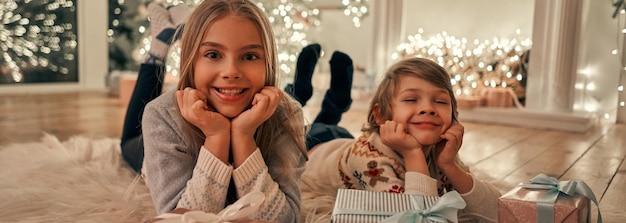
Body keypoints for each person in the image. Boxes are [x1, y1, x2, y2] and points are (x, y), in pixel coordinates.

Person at [120, 1, 308, 222]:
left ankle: (184, 37)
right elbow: (179, 218)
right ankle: (158, 49)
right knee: (127, 143)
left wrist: (242, 137)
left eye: (249, 56)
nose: (230, 71)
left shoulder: (285, 113)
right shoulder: (162, 115)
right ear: (190, 61)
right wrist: (217, 137)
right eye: (212, 54)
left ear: (268, 63)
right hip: (151, 147)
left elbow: (284, 219)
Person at [293, 56, 502, 223]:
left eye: (440, 101)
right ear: (381, 115)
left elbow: (498, 211)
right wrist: (412, 153)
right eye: (411, 99)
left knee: (330, 122)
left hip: (342, 141)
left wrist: (451, 166)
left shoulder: (439, 151)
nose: (428, 108)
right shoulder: (369, 161)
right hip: (311, 146)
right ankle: (303, 91)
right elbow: (417, 217)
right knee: (293, 122)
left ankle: (335, 103)